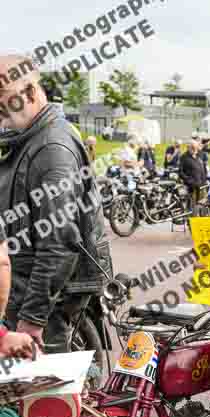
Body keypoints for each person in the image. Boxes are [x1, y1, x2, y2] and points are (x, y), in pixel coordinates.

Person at [0, 53, 111, 353]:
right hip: (31, 284)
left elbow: (59, 241)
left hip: (46, 293)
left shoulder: (51, 147)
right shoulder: (29, 138)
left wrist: (33, 317)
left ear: (30, 93)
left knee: (42, 390)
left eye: (3, 104)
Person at [179, 140, 207, 205]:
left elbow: (203, 169)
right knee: (192, 205)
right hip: (191, 186)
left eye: (196, 147)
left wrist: (204, 180)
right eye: (193, 147)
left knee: (201, 204)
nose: (195, 149)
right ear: (188, 147)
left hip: (201, 185)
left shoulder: (199, 156)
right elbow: (180, 172)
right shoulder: (184, 157)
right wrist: (189, 180)